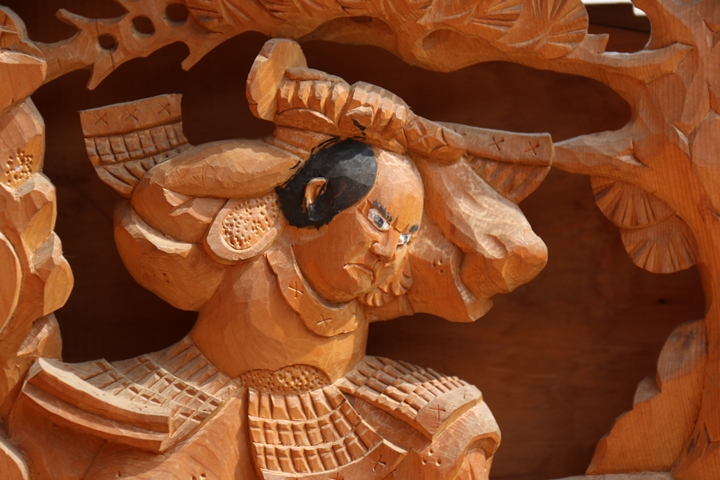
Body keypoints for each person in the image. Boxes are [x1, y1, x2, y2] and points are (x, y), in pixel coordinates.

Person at [6, 39, 548, 480]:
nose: (389, 250)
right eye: (379, 221)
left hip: (342, 412)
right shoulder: (251, 227)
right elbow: (159, 194)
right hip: (202, 401)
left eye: (406, 236)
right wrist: (293, 150)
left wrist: (432, 152)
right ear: (315, 197)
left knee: (459, 430)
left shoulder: (392, 271)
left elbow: (515, 257)